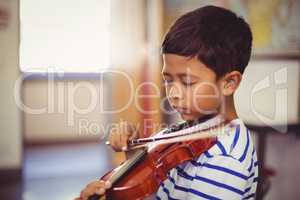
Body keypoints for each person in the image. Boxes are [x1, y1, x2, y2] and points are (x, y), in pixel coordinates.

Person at [76, 5, 258, 200]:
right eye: (169, 79)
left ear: (229, 83)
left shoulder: (224, 159)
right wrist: (135, 151)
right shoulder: (193, 128)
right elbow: (159, 182)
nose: (173, 93)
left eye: (187, 82)